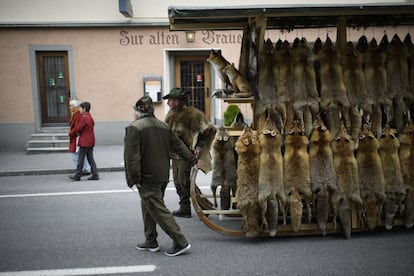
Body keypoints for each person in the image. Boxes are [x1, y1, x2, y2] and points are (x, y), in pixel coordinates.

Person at [124, 95, 197, 257]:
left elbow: (132, 157)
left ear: (137, 112)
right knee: (148, 206)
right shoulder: (163, 126)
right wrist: (193, 160)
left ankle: (180, 241)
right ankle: (151, 240)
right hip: (162, 175)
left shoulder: (135, 128)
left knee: (158, 209)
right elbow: (179, 145)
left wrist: (134, 179)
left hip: (146, 177)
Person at [163, 87, 216, 218]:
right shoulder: (170, 114)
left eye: (170, 100)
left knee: (185, 181)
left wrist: (199, 147)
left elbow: (208, 130)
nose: (168, 102)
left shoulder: (193, 114)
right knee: (177, 182)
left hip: (187, 153)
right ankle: (184, 207)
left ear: (178, 101)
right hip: (174, 154)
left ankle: (205, 205)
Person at [68, 101, 99, 181]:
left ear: (84, 109)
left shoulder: (84, 117)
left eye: (81, 108)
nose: (80, 109)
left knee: (80, 159)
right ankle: (95, 174)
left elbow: (78, 128)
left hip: (84, 141)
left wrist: (72, 132)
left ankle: (77, 175)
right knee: (90, 158)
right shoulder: (90, 117)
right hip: (90, 140)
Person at [68, 99, 91, 175]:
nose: (69, 107)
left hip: (76, 138)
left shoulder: (77, 115)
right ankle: (86, 169)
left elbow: (77, 127)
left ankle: (80, 170)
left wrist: (71, 133)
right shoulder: (76, 114)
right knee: (81, 155)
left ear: (75, 107)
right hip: (77, 137)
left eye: (71, 106)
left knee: (74, 154)